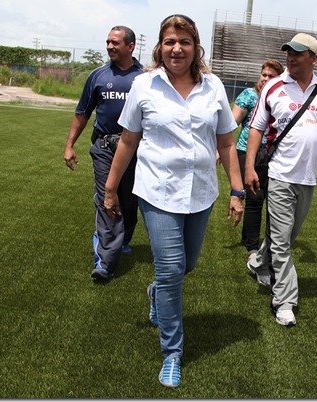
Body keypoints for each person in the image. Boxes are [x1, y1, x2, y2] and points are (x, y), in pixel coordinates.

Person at [103, 14, 243, 388]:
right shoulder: (145, 86)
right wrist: (111, 187)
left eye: (184, 41)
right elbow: (128, 140)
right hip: (158, 192)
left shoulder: (213, 87)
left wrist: (237, 189)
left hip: (200, 194)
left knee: (187, 265)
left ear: (196, 47)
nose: (176, 48)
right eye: (169, 41)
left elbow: (226, 142)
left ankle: (156, 293)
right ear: (160, 47)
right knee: (170, 269)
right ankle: (172, 353)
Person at [244, 33, 317, 327]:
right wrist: (250, 167)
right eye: (289, 52)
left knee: (286, 238)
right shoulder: (273, 88)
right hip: (278, 174)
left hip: (308, 179)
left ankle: (257, 262)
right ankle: (285, 301)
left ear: (313, 58)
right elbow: (255, 128)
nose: (291, 57)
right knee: (282, 243)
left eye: (298, 53)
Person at [64, 25, 144, 281]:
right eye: (108, 42)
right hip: (103, 147)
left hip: (136, 149)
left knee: (130, 201)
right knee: (106, 198)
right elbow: (82, 113)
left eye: (115, 43)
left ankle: (123, 239)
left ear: (130, 46)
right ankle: (105, 261)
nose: (109, 46)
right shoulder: (97, 76)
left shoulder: (145, 78)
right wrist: (69, 145)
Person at [232, 59, 284, 261]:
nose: (266, 79)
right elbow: (233, 122)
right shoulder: (249, 95)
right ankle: (252, 246)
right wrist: (221, 147)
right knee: (255, 198)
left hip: (273, 153)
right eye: (264, 75)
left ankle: (260, 240)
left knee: (272, 199)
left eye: (271, 76)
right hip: (247, 150)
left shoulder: (282, 98)